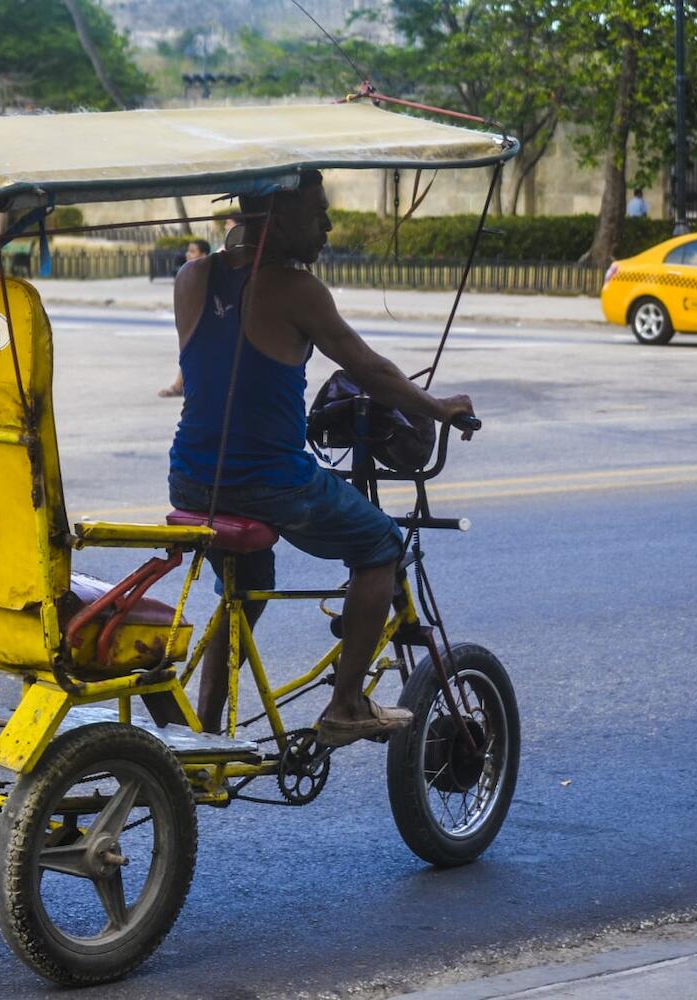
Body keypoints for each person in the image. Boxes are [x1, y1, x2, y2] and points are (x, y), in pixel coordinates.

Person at [167, 171, 474, 746]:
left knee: (245, 591)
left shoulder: (191, 277)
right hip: (270, 482)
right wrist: (436, 407)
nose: (329, 224)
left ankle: (202, 732)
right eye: (317, 213)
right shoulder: (295, 290)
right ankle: (347, 704)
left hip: (190, 479)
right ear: (277, 222)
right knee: (383, 544)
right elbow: (370, 370)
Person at [158, 239, 212, 398]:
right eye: (188, 251)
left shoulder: (207, 272)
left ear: (204, 255)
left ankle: (179, 385)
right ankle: (180, 384)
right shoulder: (188, 272)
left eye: (193, 251)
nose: (188, 254)